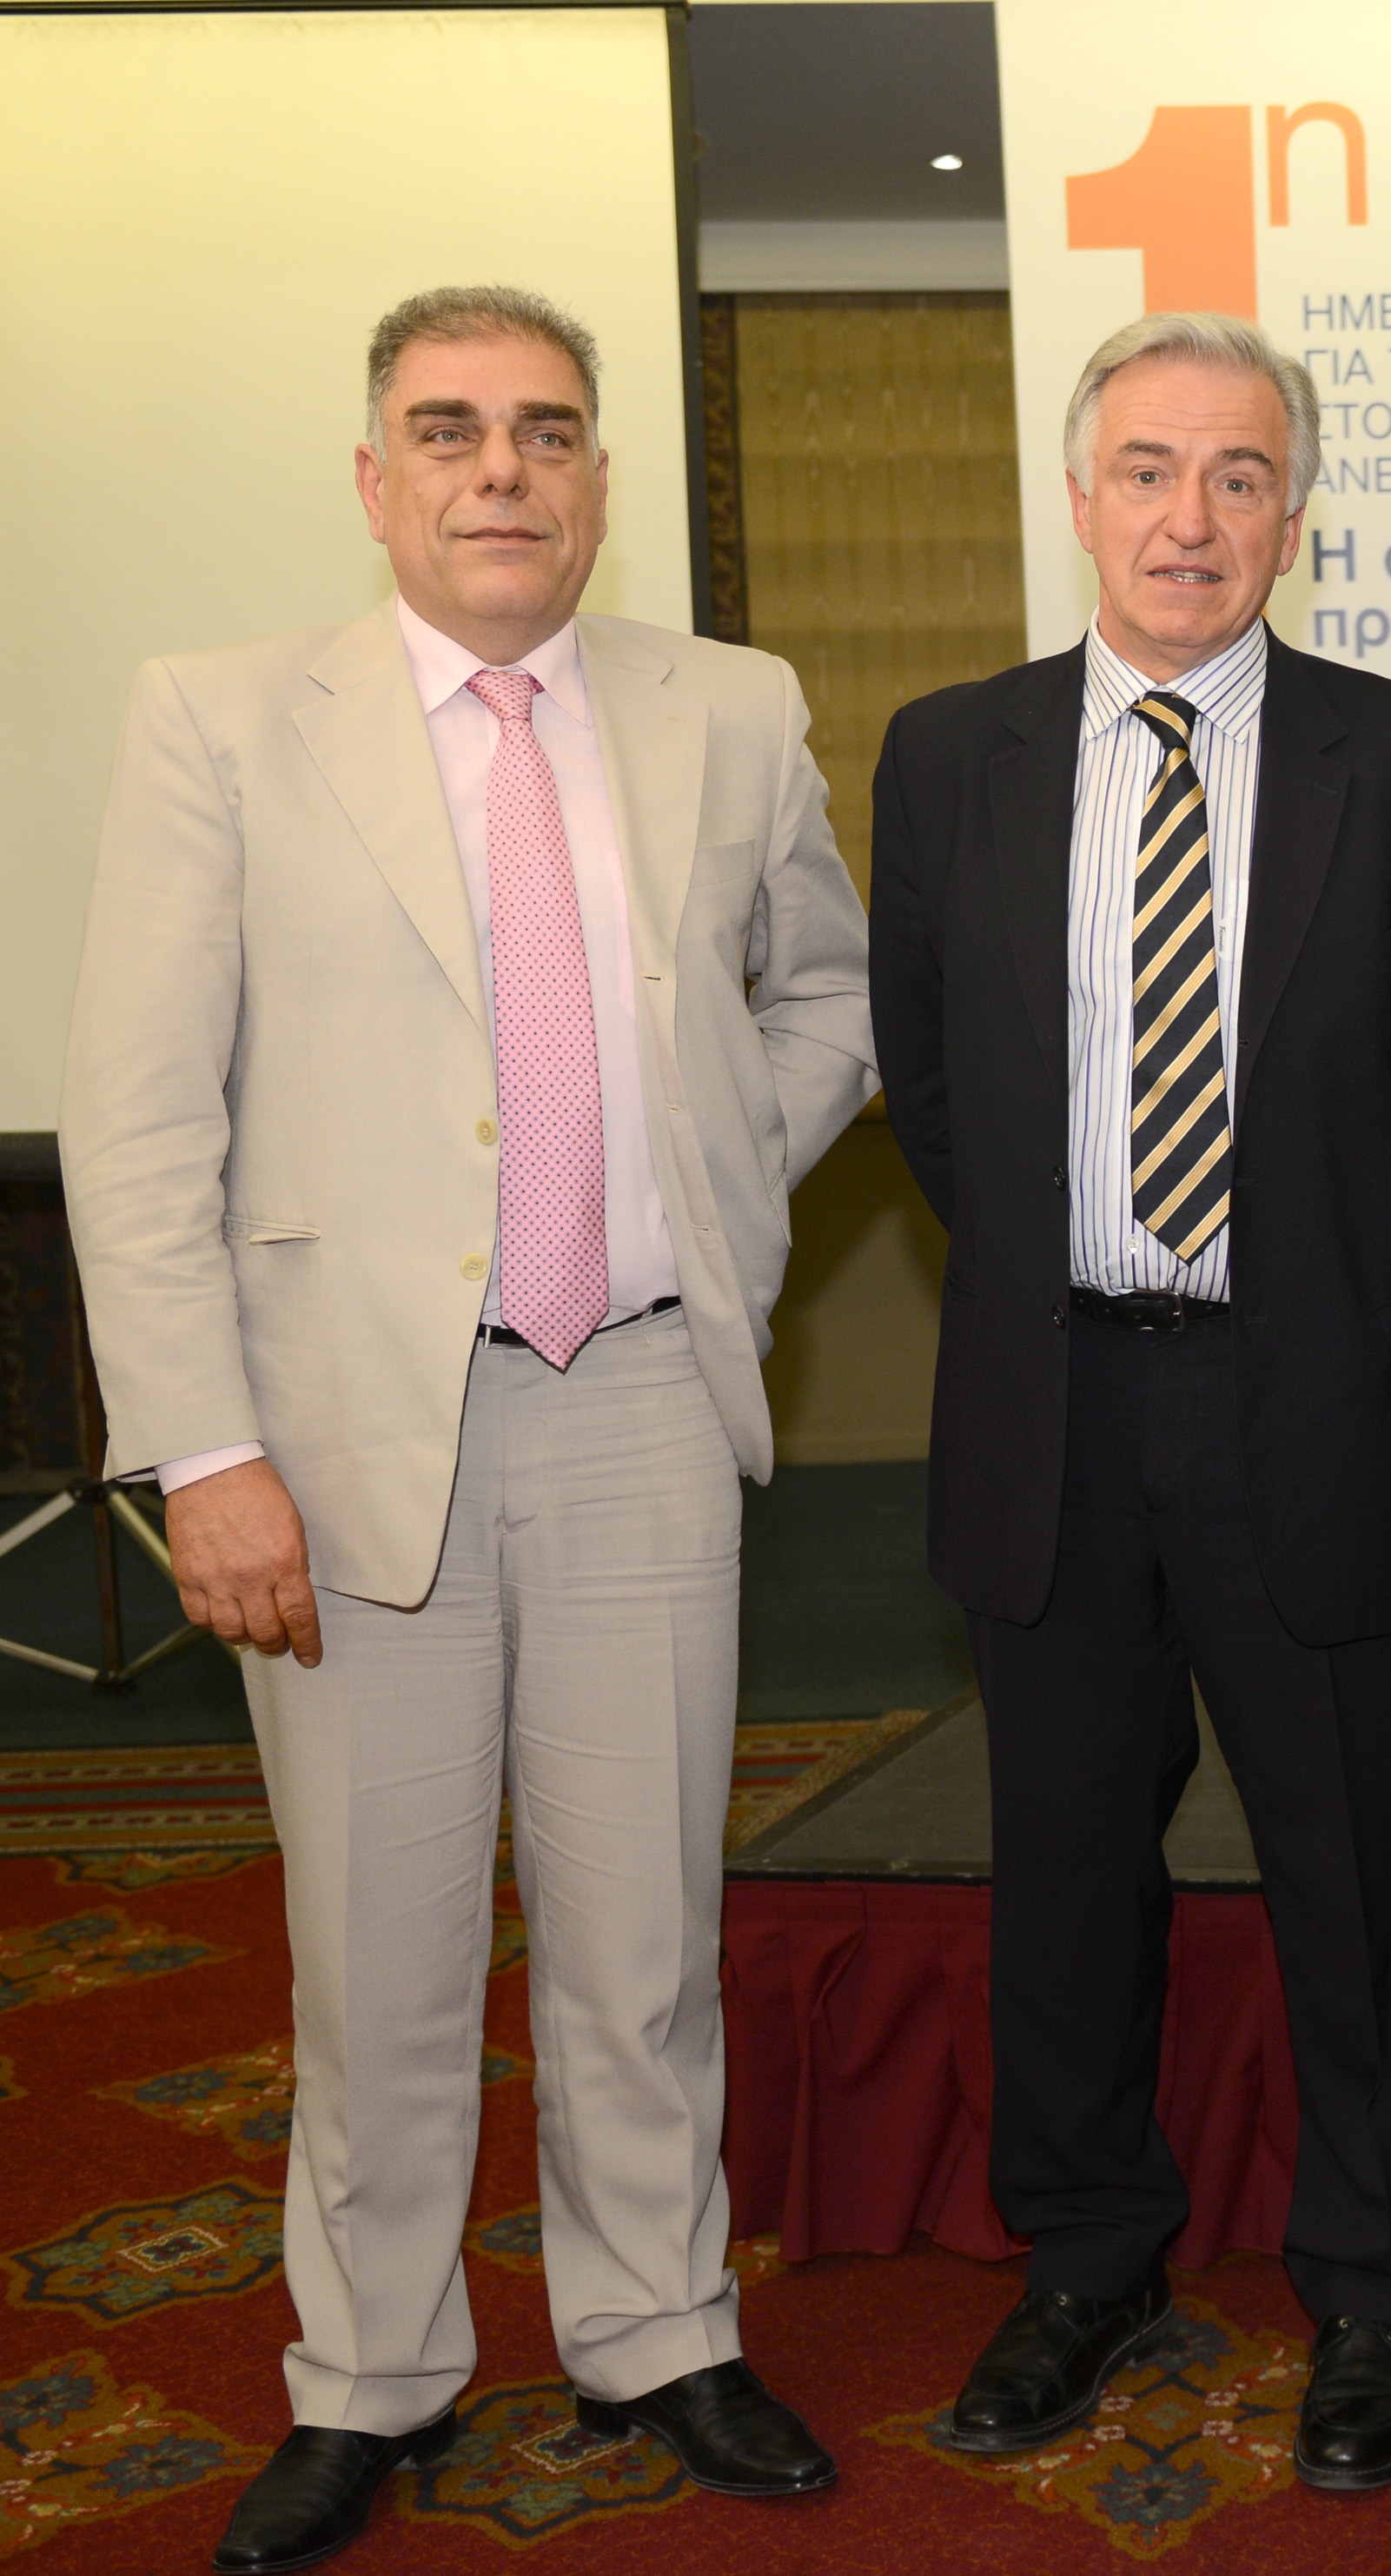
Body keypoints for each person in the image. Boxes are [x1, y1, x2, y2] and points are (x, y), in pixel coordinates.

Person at [60, 286, 877, 2573]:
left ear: (599, 477)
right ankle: (371, 2371)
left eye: (545, 429)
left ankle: (659, 2326)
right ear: (374, 478)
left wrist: (718, 1170)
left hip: (642, 1400)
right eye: (447, 430)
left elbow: (831, 992)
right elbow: (140, 1117)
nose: (499, 468)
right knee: (377, 1952)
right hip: (331, 1444)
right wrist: (202, 1448)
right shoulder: (223, 717)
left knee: (644, 1936)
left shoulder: (730, 707)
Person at [869, 310, 1391, 2493]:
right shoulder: (949, 756)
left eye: (1239, 475)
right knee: (1063, 1872)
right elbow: (935, 1091)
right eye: (1146, 469)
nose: (1189, 516)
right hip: (1055, 1404)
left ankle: (1369, 2286)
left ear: (1293, 515)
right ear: (1078, 497)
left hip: (1312, 1402)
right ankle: (1085, 2260)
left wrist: (1317, 1289)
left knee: (1351, 1875)